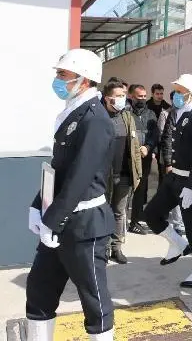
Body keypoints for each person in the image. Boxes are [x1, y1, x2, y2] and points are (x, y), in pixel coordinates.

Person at [26, 49, 116, 340]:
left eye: (63, 75)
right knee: (39, 290)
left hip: (85, 224)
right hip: (59, 218)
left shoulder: (96, 120)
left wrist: (52, 219)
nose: (58, 80)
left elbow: (79, 178)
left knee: (94, 300)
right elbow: (58, 169)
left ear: (85, 80)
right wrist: (37, 205)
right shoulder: (72, 112)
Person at [144, 74, 192, 288]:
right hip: (174, 176)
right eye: (174, 90)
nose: (175, 94)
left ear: (191, 94)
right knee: (151, 214)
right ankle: (177, 244)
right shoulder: (178, 112)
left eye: (179, 90)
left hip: (189, 181)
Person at [102, 81, 142, 264]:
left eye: (123, 95)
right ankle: (101, 248)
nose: (121, 99)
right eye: (117, 96)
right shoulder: (99, 117)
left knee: (119, 212)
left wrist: (138, 173)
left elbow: (134, 148)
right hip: (104, 176)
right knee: (103, 212)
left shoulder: (127, 117)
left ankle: (116, 248)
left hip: (124, 174)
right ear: (107, 98)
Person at [128, 84, 159, 235]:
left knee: (140, 191)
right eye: (139, 96)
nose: (143, 99)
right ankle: (118, 221)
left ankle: (134, 222)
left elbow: (155, 135)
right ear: (131, 97)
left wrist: (148, 147)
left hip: (144, 158)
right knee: (125, 190)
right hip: (127, 158)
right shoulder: (126, 113)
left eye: (144, 96)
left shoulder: (151, 114)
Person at [158, 91, 186, 236]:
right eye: (177, 98)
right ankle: (177, 223)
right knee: (172, 190)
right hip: (169, 159)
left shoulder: (187, 114)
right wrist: (168, 161)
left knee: (179, 190)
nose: (180, 100)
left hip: (182, 159)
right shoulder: (165, 114)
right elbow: (164, 137)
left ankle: (178, 222)